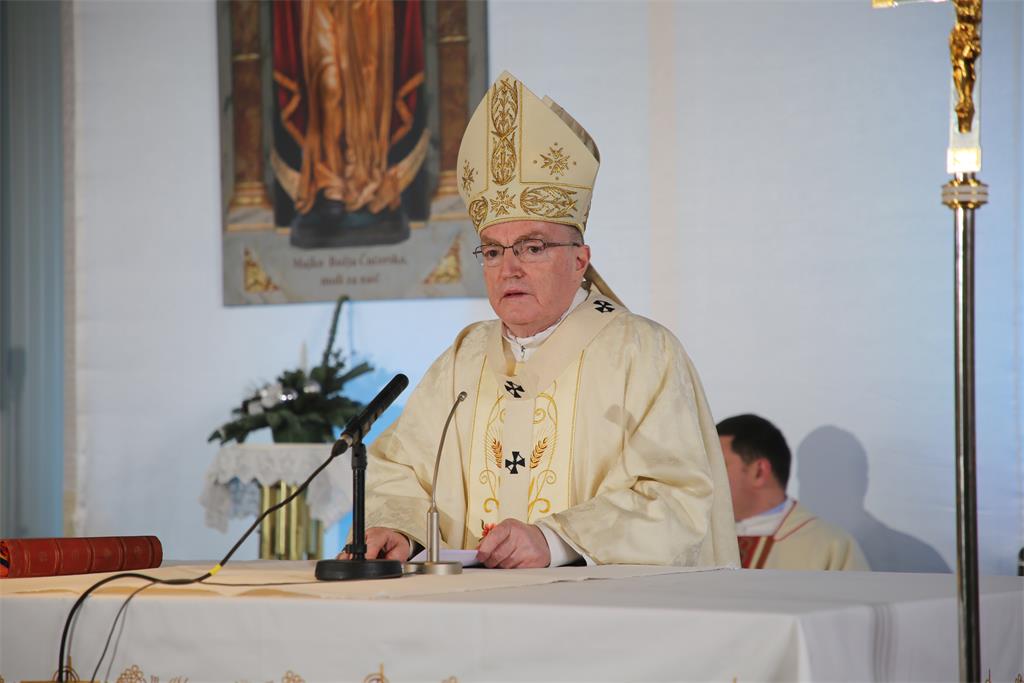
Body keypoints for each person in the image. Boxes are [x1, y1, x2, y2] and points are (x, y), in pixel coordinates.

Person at [344, 71, 738, 568]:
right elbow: (401, 468)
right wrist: (401, 531)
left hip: (594, 609)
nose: (509, 268)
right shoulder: (464, 360)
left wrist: (555, 541)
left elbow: (677, 497)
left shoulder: (641, 352)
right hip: (468, 606)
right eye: (493, 251)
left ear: (579, 260)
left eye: (532, 247)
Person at [716, 414, 869, 571]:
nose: (707, 478)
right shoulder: (705, 540)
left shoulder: (832, 547)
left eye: (717, 465)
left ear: (759, 472)